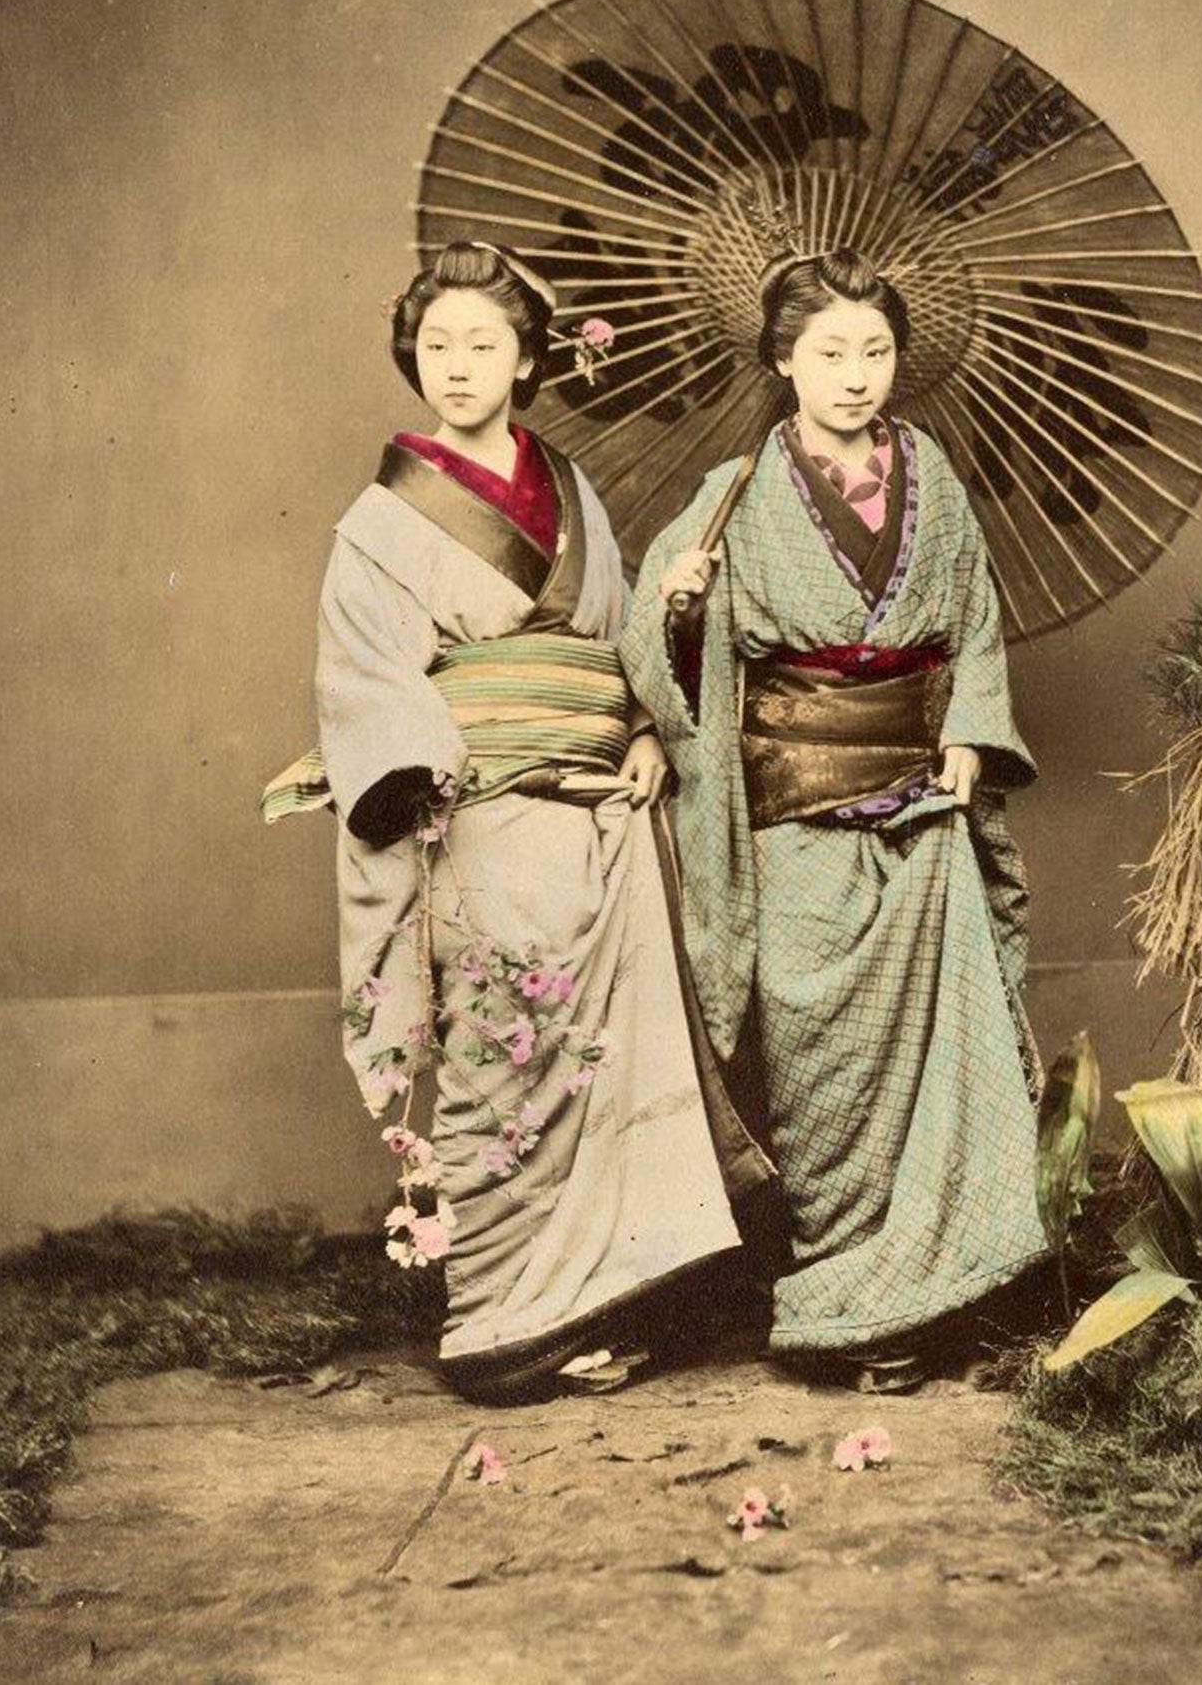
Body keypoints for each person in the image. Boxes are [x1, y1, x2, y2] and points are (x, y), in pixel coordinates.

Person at [301, 240, 764, 1404]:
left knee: (604, 1059)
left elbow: (609, 639)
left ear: (525, 357)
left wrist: (647, 729)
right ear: (414, 354)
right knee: (504, 1046)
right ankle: (501, 1320)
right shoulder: (379, 521)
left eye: (485, 344)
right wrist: (444, 779)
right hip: (483, 807)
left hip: (601, 801)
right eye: (439, 344)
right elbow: (367, 677)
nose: (459, 366)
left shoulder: (571, 488)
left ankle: (599, 1300)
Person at [621, 244, 1046, 1393]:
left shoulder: (935, 478)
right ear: (782, 360)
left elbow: (975, 625)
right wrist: (682, 615)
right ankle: (841, 1288)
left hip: (921, 791)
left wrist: (969, 731)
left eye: (876, 351)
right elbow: (662, 658)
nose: (857, 375)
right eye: (829, 353)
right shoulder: (733, 494)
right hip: (795, 808)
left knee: (931, 1055)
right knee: (819, 1053)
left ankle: (930, 1290)